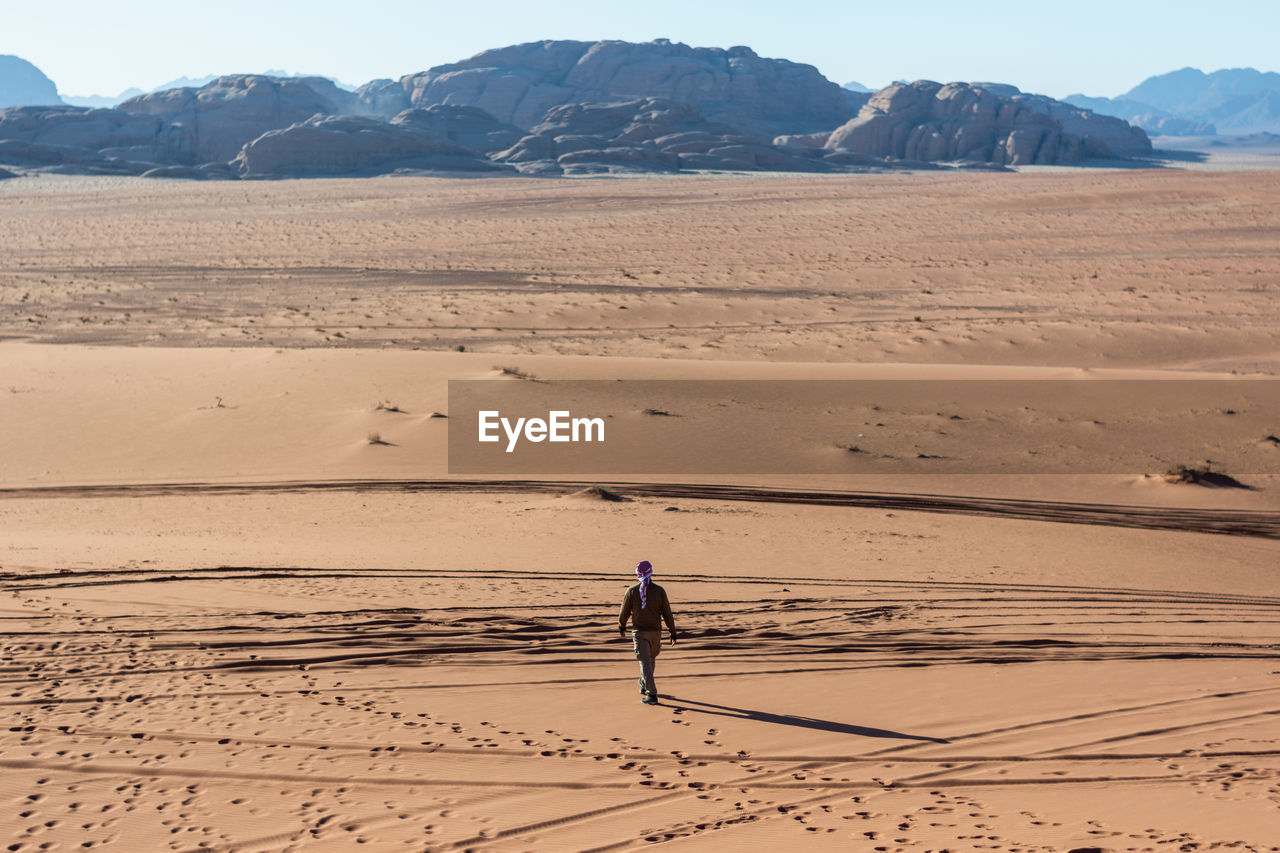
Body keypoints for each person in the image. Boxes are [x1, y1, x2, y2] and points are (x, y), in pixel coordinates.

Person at [618, 560, 678, 705]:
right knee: (649, 661)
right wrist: (673, 632)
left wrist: (622, 626)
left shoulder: (631, 591)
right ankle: (644, 685)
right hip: (656, 633)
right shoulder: (659, 591)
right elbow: (667, 613)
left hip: (640, 633)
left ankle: (652, 695)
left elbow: (624, 612)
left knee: (646, 662)